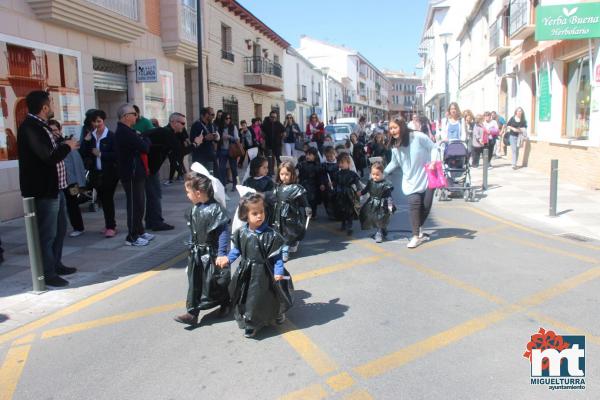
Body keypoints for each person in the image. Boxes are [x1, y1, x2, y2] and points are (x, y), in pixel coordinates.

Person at [18, 90, 79, 286]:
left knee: (60, 230)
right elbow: (48, 156)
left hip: (56, 188)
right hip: (43, 191)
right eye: (51, 103)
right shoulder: (30, 127)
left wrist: (61, 142)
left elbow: (50, 152)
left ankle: (56, 263)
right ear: (44, 108)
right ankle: (48, 273)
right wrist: (67, 146)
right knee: (47, 234)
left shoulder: (42, 126)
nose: (52, 107)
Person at [222, 193, 292, 338]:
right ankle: (250, 322)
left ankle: (277, 313)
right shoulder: (241, 233)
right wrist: (228, 259)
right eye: (255, 213)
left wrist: (278, 271)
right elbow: (237, 250)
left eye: (262, 212)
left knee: (270, 296)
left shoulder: (271, 234)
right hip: (246, 272)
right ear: (245, 215)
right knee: (247, 297)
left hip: (265, 272)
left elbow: (277, 257)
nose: (259, 216)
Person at [174, 172, 231, 326]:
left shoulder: (215, 209)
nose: (187, 195)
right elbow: (193, 232)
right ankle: (192, 313)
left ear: (198, 193)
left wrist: (221, 254)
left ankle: (226, 302)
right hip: (196, 254)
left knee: (215, 282)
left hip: (211, 254)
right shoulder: (193, 210)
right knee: (195, 282)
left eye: (188, 191)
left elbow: (223, 232)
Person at [384, 118, 438, 249]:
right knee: (414, 206)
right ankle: (415, 236)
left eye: (395, 127)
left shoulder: (418, 136)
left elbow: (433, 147)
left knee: (426, 206)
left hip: (427, 177)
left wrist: (433, 162)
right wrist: (383, 173)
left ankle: (418, 229)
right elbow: (395, 163)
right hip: (410, 181)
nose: (392, 131)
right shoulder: (395, 145)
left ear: (402, 127)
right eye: (390, 129)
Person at [114, 103, 153, 246]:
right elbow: (144, 147)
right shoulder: (124, 132)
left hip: (137, 173)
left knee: (140, 204)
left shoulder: (129, 130)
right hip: (130, 174)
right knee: (134, 205)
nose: (136, 116)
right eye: (133, 114)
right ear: (125, 117)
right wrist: (145, 139)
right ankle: (132, 236)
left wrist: (142, 138)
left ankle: (140, 231)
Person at [143, 112, 185, 231]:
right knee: (155, 194)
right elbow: (180, 151)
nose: (183, 126)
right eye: (182, 123)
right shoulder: (166, 133)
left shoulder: (166, 132)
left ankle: (150, 222)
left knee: (153, 194)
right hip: (149, 168)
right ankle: (156, 222)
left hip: (151, 168)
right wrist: (196, 143)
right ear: (173, 122)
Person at [81, 109, 119, 238]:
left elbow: (117, 155)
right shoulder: (90, 135)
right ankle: (109, 224)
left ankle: (111, 227)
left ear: (103, 120)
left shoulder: (111, 136)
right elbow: (84, 154)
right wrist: (86, 142)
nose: (97, 124)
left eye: (99, 121)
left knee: (108, 199)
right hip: (96, 173)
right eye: (94, 122)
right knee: (102, 199)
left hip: (110, 173)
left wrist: (101, 154)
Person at [48, 120, 86, 237]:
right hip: (57, 181)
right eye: (51, 131)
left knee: (72, 204)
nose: (54, 133)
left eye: (55, 130)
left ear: (59, 130)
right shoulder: (48, 146)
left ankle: (78, 227)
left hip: (71, 182)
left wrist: (81, 184)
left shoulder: (67, 144)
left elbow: (77, 164)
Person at [272, 162, 309, 262]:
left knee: (289, 232)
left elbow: (303, 200)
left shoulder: (296, 188)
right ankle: (281, 248)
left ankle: (285, 251)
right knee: (279, 231)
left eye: (287, 174)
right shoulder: (277, 187)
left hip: (291, 214)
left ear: (292, 174)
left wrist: (307, 207)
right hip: (279, 213)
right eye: (282, 174)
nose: (284, 177)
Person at [359, 162, 394, 243]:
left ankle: (379, 233)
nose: (375, 176)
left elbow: (389, 196)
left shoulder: (386, 184)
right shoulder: (371, 182)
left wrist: (390, 205)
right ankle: (383, 229)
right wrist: (360, 193)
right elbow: (366, 189)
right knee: (372, 217)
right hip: (372, 202)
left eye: (377, 174)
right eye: (373, 174)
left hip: (382, 204)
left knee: (380, 217)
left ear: (382, 174)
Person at [332, 152, 360, 235]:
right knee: (341, 210)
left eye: (342, 163)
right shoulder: (337, 174)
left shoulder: (353, 174)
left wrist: (358, 190)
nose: (340, 164)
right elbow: (335, 182)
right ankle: (343, 223)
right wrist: (332, 184)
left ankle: (349, 225)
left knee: (350, 210)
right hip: (340, 193)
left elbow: (357, 183)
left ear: (348, 163)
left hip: (349, 194)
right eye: (339, 163)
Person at [189, 107, 220, 174]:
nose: (213, 117)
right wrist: (204, 138)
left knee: (215, 177)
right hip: (200, 157)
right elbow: (192, 140)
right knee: (201, 180)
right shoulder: (196, 125)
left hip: (211, 156)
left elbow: (216, 139)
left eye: (213, 115)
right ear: (205, 115)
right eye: (212, 114)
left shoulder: (212, 125)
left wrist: (216, 138)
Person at [216, 112, 240, 192]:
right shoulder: (219, 128)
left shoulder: (233, 127)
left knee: (234, 168)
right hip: (222, 150)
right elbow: (216, 138)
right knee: (221, 169)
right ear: (223, 119)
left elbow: (237, 139)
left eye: (229, 118)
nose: (228, 120)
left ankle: (235, 184)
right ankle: (223, 185)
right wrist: (220, 137)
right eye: (226, 118)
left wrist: (230, 137)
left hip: (231, 150)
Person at [298, 147, 322, 220]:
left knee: (313, 201)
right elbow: (299, 174)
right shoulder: (302, 164)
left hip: (314, 186)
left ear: (315, 156)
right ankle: (308, 214)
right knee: (306, 200)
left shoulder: (317, 165)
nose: (307, 156)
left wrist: (321, 184)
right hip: (304, 184)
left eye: (310, 154)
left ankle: (313, 214)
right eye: (307, 154)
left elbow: (320, 176)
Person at [262, 111, 285, 175]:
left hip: (277, 145)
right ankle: (270, 172)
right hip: (268, 145)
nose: (273, 118)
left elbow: (284, 132)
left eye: (275, 117)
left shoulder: (279, 124)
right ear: (270, 117)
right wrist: (264, 139)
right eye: (272, 117)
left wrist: (281, 139)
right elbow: (262, 132)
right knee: (270, 160)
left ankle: (280, 172)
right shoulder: (265, 124)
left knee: (279, 159)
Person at [321, 147, 338, 220]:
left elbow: (340, 175)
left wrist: (334, 183)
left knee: (336, 200)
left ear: (335, 155)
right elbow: (322, 175)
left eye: (331, 156)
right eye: (327, 156)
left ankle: (337, 214)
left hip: (336, 186)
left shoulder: (338, 164)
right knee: (327, 200)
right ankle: (331, 215)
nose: (329, 158)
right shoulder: (324, 165)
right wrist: (322, 184)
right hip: (327, 185)